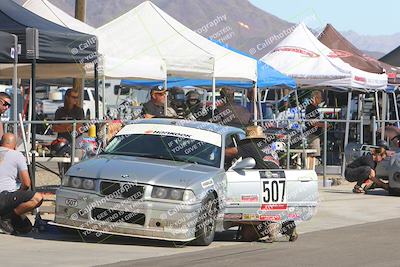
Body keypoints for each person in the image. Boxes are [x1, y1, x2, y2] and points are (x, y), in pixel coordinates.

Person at [0, 133, 43, 234]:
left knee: (26, 227)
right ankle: (7, 217)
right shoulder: (17, 155)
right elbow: (26, 184)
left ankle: (7, 216)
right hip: (5, 197)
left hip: (5, 199)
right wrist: (18, 195)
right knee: (37, 198)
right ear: (14, 145)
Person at [304, 91, 325, 168]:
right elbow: (312, 122)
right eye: (320, 98)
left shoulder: (314, 108)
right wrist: (323, 125)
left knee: (313, 153)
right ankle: (310, 170)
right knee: (312, 153)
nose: (321, 99)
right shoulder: (311, 108)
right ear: (315, 98)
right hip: (313, 135)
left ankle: (310, 169)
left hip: (315, 134)